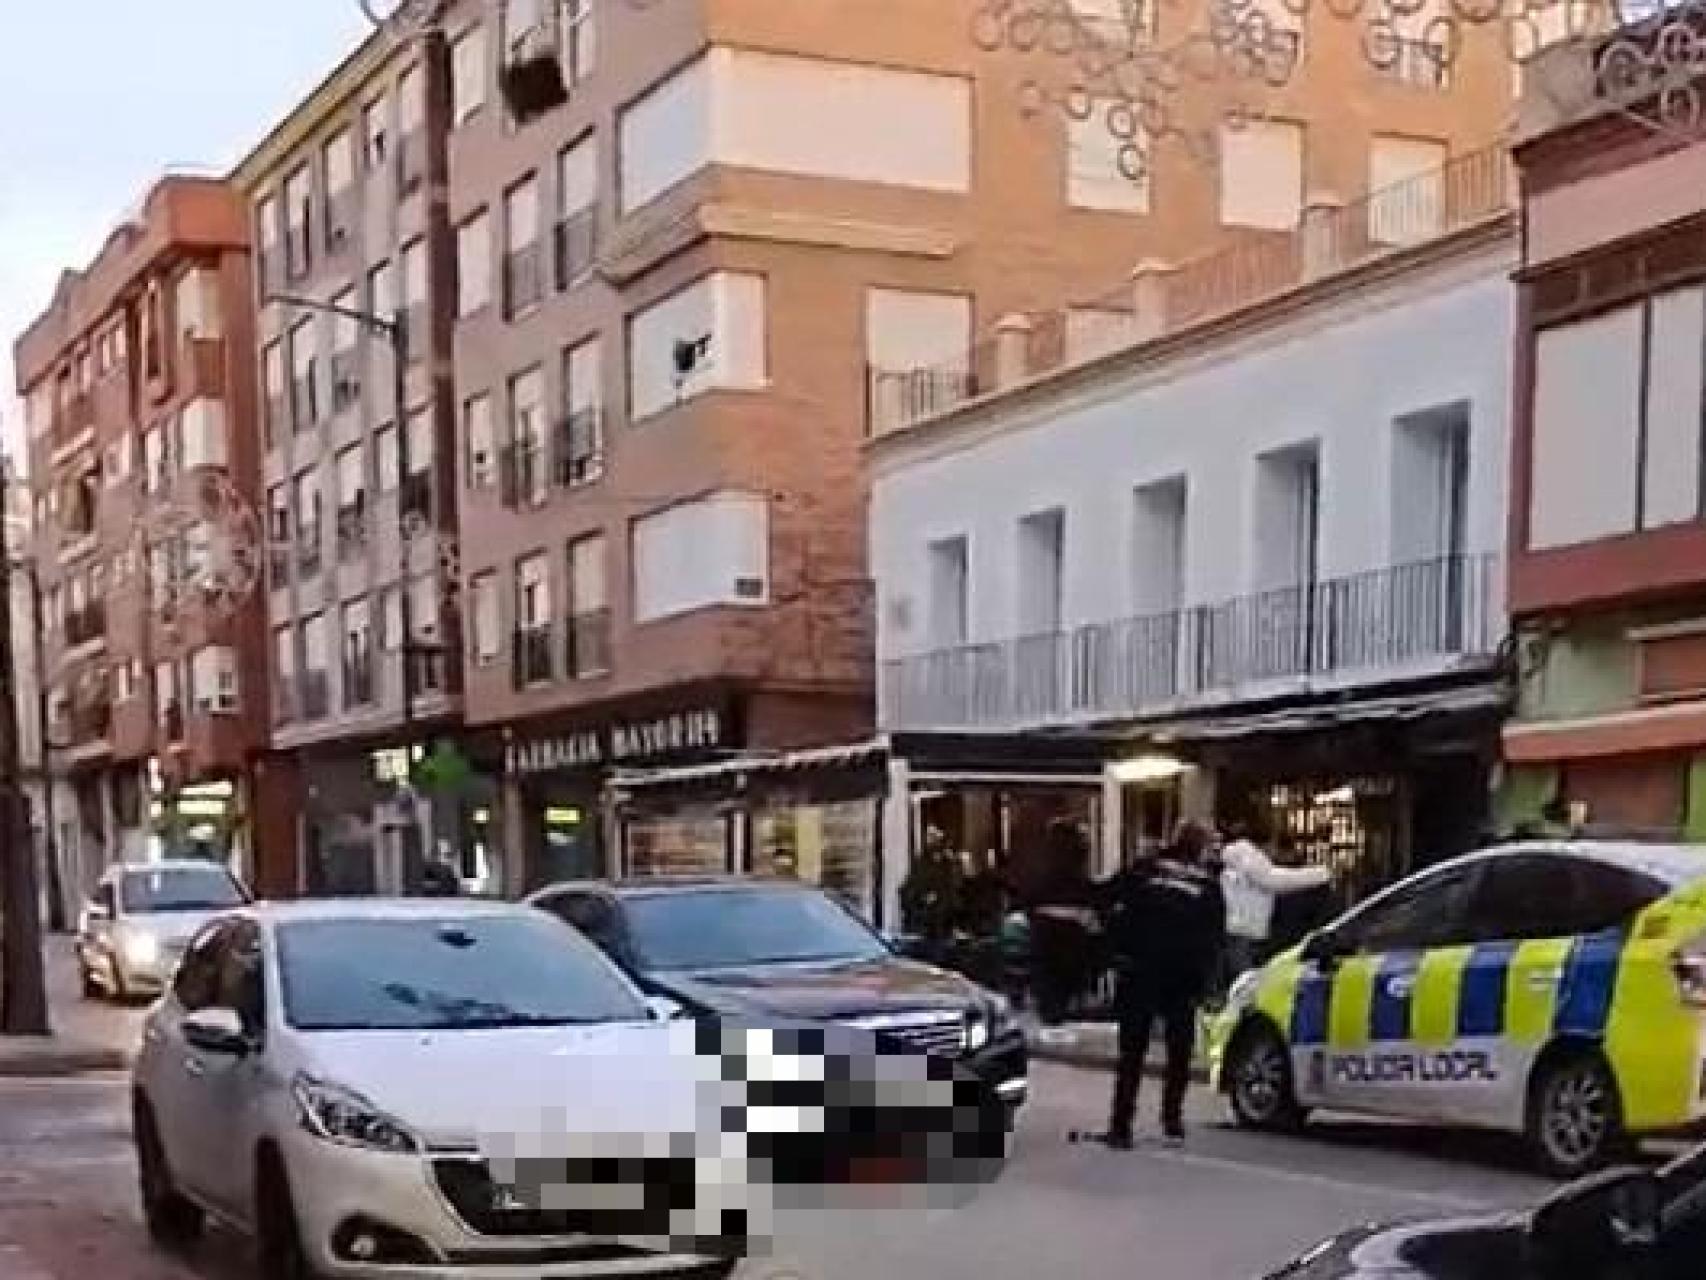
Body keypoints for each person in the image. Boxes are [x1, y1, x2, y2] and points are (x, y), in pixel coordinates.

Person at [1092, 820, 1225, 1149]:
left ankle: (1121, 1126)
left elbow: (1105, 897)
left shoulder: (1144, 870)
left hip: (1140, 968)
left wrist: (1116, 945)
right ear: (1199, 848)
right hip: (1182, 974)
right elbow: (1214, 937)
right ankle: (1172, 1120)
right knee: (1178, 1050)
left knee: (1132, 1052)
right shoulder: (1206, 884)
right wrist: (1209, 982)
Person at [1220, 819, 1330, 979]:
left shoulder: (1240, 856)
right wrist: (1320, 874)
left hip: (1240, 927)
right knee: (1245, 979)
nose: (1274, 855)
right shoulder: (1249, 856)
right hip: (1244, 929)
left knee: (1241, 974)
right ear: (1268, 843)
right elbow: (1274, 880)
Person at [1028, 820, 1096, 1027]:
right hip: (1067, 942)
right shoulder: (1073, 875)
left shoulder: (1044, 873)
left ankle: (1053, 1016)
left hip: (1049, 940)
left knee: (1052, 989)